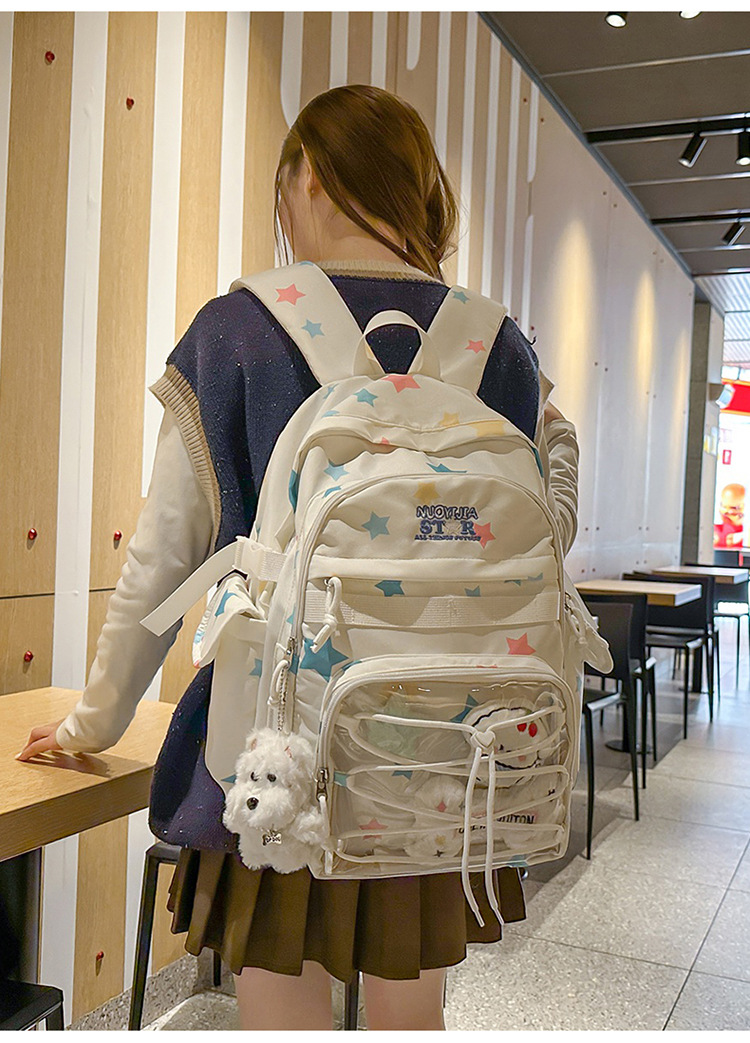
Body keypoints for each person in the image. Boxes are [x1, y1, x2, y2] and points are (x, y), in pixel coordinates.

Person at [16, 84, 579, 1031]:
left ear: (307, 177)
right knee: (412, 1000)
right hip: (453, 746)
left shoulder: (236, 330)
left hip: (279, 749)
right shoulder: (501, 348)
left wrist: (92, 721)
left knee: (280, 990)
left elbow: (163, 557)